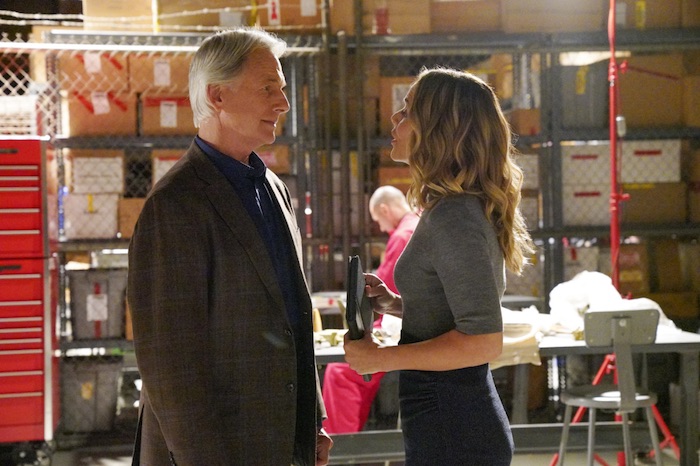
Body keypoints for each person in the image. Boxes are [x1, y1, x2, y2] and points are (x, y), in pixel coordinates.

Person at [127, 27, 332, 466]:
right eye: (268, 88)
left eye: (282, 88)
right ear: (217, 96)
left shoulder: (274, 188)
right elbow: (169, 363)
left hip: (280, 442)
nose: (283, 103)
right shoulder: (176, 205)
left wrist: (310, 421)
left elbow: (291, 314)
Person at [343, 67, 535, 465]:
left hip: (455, 427)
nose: (395, 119)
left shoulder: (454, 217)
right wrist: (397, 304)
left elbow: (483, 341)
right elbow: (452, 311)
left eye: (407, 111)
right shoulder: (450, 210)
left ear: (438, 130)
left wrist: (380, 358)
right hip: (449, 418)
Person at [321, 185, 418, 434]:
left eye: (378, 221)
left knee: (340, 372)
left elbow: (384, 292)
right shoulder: (416, 226)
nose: (382, 228)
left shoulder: (402, 235)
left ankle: (341, 444)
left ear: (385, 210)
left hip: (403, 328)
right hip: (412, 320)